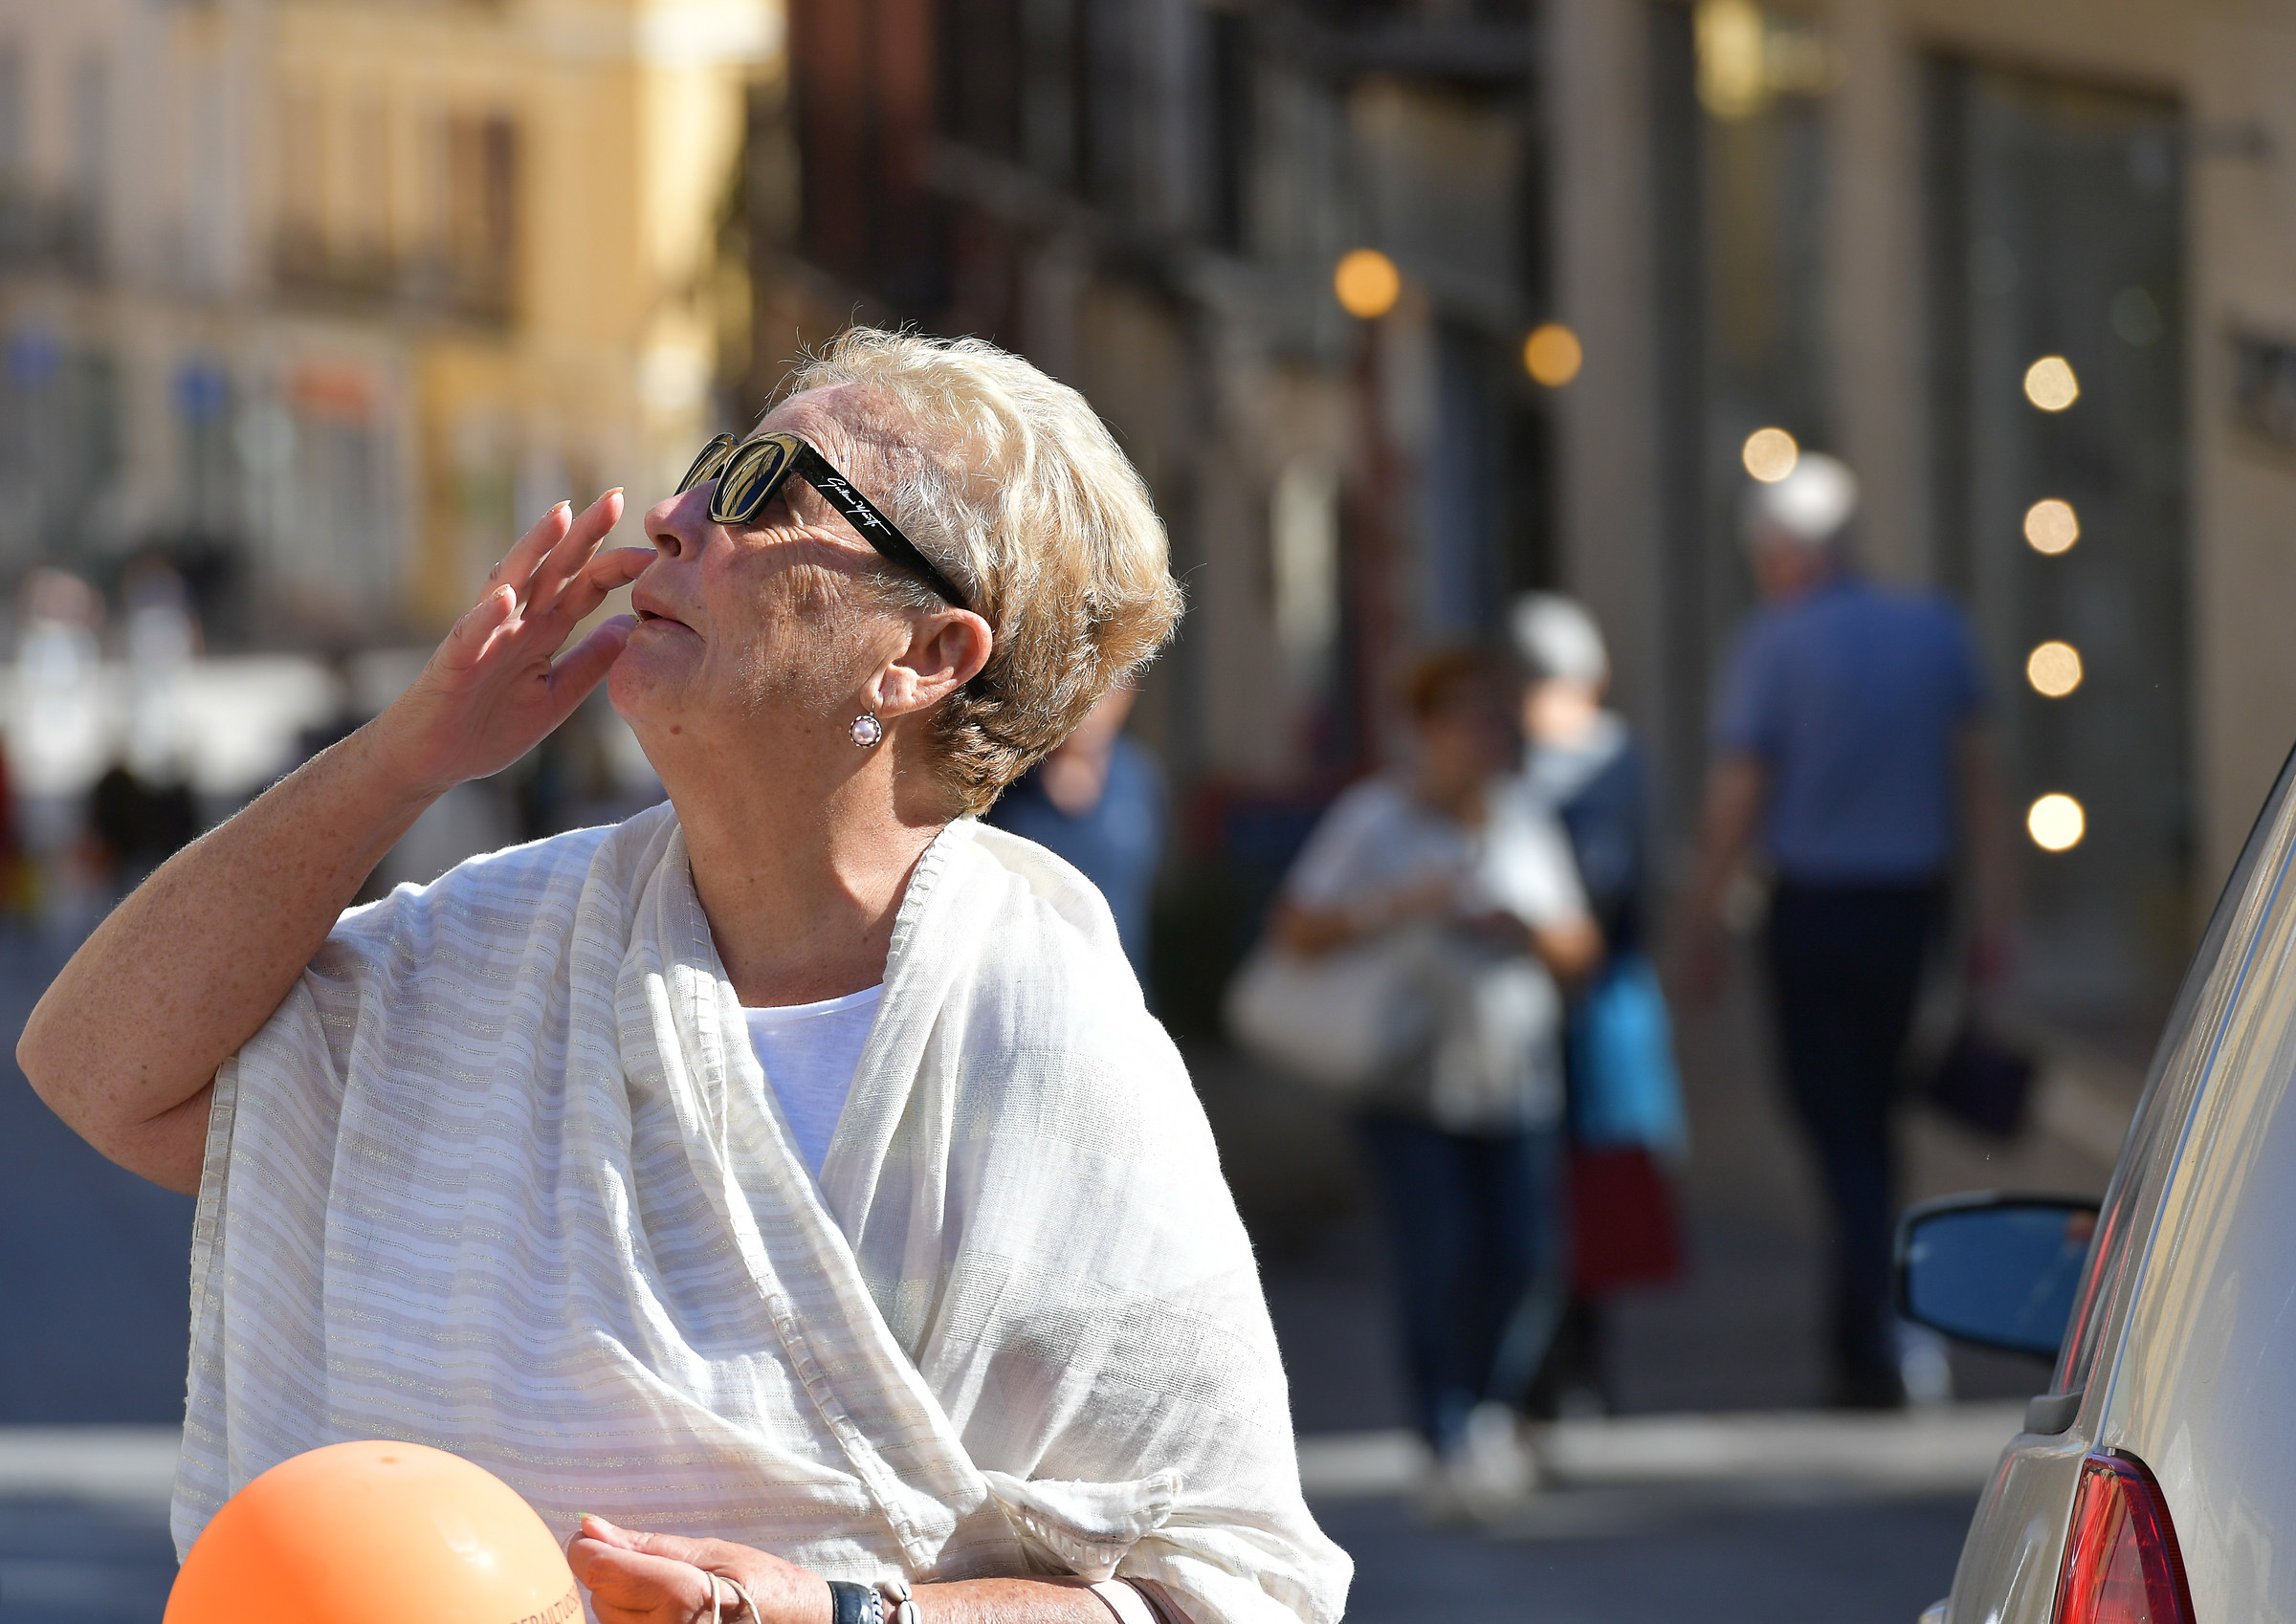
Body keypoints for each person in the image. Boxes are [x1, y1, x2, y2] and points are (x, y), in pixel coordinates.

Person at [20, 329, 1350, 1624]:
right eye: (709, 471)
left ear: (928, 654)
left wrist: (851, 1613)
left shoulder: (1045, 1042)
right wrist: (402, 759)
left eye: (766, 493)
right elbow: (96, 1073)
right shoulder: (485, 950)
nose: (672, 518)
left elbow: (1234, 1586)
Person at [1674, 452, 2009, 1410]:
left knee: (1841, 1130)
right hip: (1914, 913)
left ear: (1780, 552)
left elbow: (1737, 800)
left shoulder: (1774, 646)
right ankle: (1873, 1332)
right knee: (1872, 1126)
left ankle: (1886, 1332)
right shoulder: (1934, 628)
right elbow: (1981, 790)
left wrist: (1699, 921)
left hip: (1817, 913)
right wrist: (1993, 918)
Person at [1268, 648, 1600, 1507]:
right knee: (1438, 1258)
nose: (1483, 735)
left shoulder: (1524, 819)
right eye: (1464, 716)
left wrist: (1519, 928)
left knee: (1524, 1257)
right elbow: (1296, 931)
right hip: (1410, 1084)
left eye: (1495, 717)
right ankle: (1446, 1427)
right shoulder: (1374, 819)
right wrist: (1401, 903)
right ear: (1423, 730)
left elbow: (1580, 948)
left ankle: (1487, 1410)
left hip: (1514, 1079)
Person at [1509, 594, 1682, 1418]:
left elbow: (1619, 885)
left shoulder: (1606, 763)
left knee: (1594, 1180)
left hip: (1597, 998)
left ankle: (1580, 1360)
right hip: (1547, 1004)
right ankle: (1549, 1363)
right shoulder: (1521, 763)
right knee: (1545, 1184)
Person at [985, 684, 1163, 980]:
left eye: (1102, 691)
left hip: (1119, 993)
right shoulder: (1004, 783)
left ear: (1125, 697)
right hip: (1025, 989)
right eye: (1078, 691)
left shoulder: (1139, 780)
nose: (1089, 708)